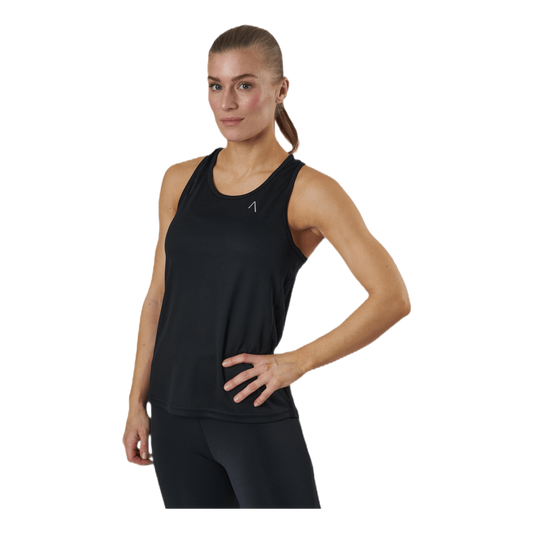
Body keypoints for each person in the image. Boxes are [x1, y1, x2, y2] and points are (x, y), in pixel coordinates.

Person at [119, 22, 413, 512]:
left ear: (282, 89)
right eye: (215, 86)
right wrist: (135, 402)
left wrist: (296, 362)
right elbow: (157, 296)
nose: (227, 102)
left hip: (249, 415)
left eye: (244, 85)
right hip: (171, 418)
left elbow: (393, 298)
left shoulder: (311, 190)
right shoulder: (178, 178)